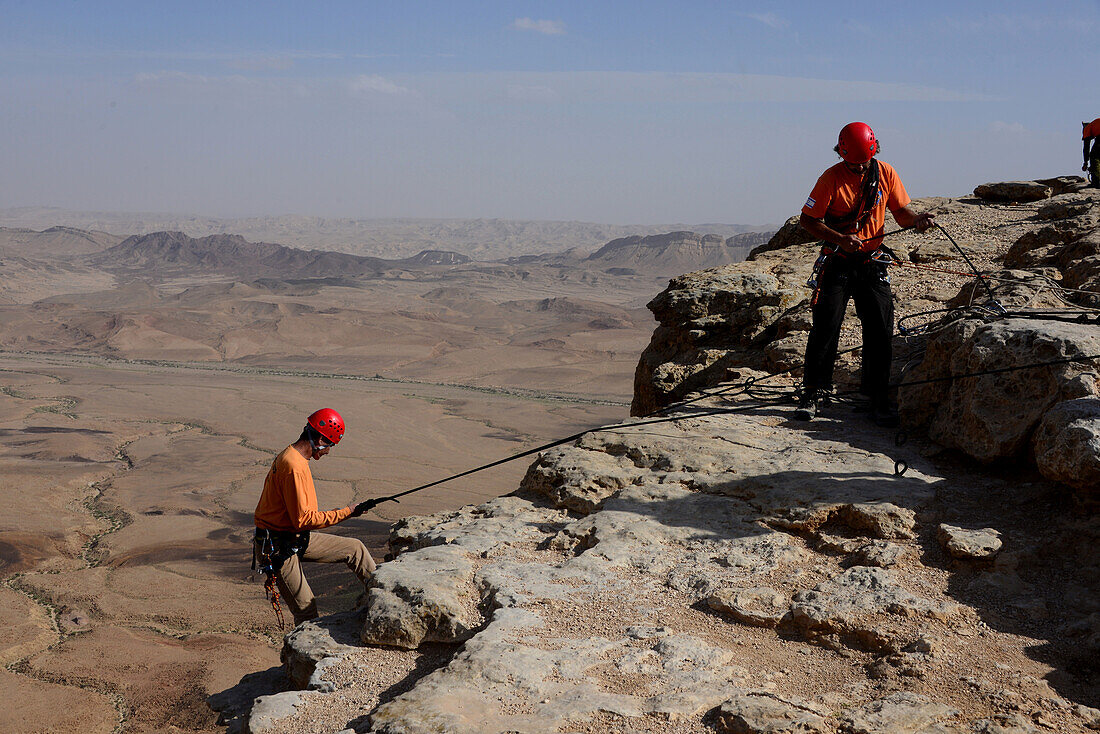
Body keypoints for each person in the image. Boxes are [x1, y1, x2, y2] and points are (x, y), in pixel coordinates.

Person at [794, 122, 935, 425]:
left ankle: (876, 397)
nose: (859, 168)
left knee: (880, 328)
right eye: (853, 164)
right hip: (838, 260)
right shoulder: (830, 178)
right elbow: (808, 220)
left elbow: (901, 213)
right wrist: (839, 238)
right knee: (826, 325)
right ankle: (813, 393)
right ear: (842, 154)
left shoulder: (884, 173)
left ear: (873, 152)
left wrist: (917, 220)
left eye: (863, 163)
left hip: (871, 261)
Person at [253, 408, 386, 625]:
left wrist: (352, 510)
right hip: (277, 547)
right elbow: (303, 520)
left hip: (292, 538)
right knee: (306, 610)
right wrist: (348, 512)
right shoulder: (294, 466)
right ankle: (306, 657)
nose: (328, 451)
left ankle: (385, 594)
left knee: (355, 549)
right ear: (321, 438)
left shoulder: (293, 457)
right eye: (330, 445)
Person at [1083, 118, 1100, 188]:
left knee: (1094, 156)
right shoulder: (1096, 125)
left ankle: (1096, 182)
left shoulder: (1087, 128)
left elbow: (1086, 147)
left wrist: (1086, 162)